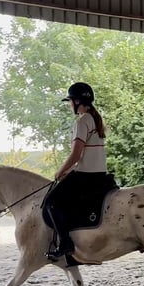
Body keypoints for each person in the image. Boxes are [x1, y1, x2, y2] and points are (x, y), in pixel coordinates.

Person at [44, 82, 108, 261]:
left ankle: (65, 243)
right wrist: (70, 170)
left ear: (78, 101)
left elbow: (76, 154)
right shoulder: (96, 119)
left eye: (70, 101)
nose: (69, 104)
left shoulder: (82, 121)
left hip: (86, 176)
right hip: (99, 174)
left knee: (51, 202)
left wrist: (60, 171)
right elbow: (85, 155)